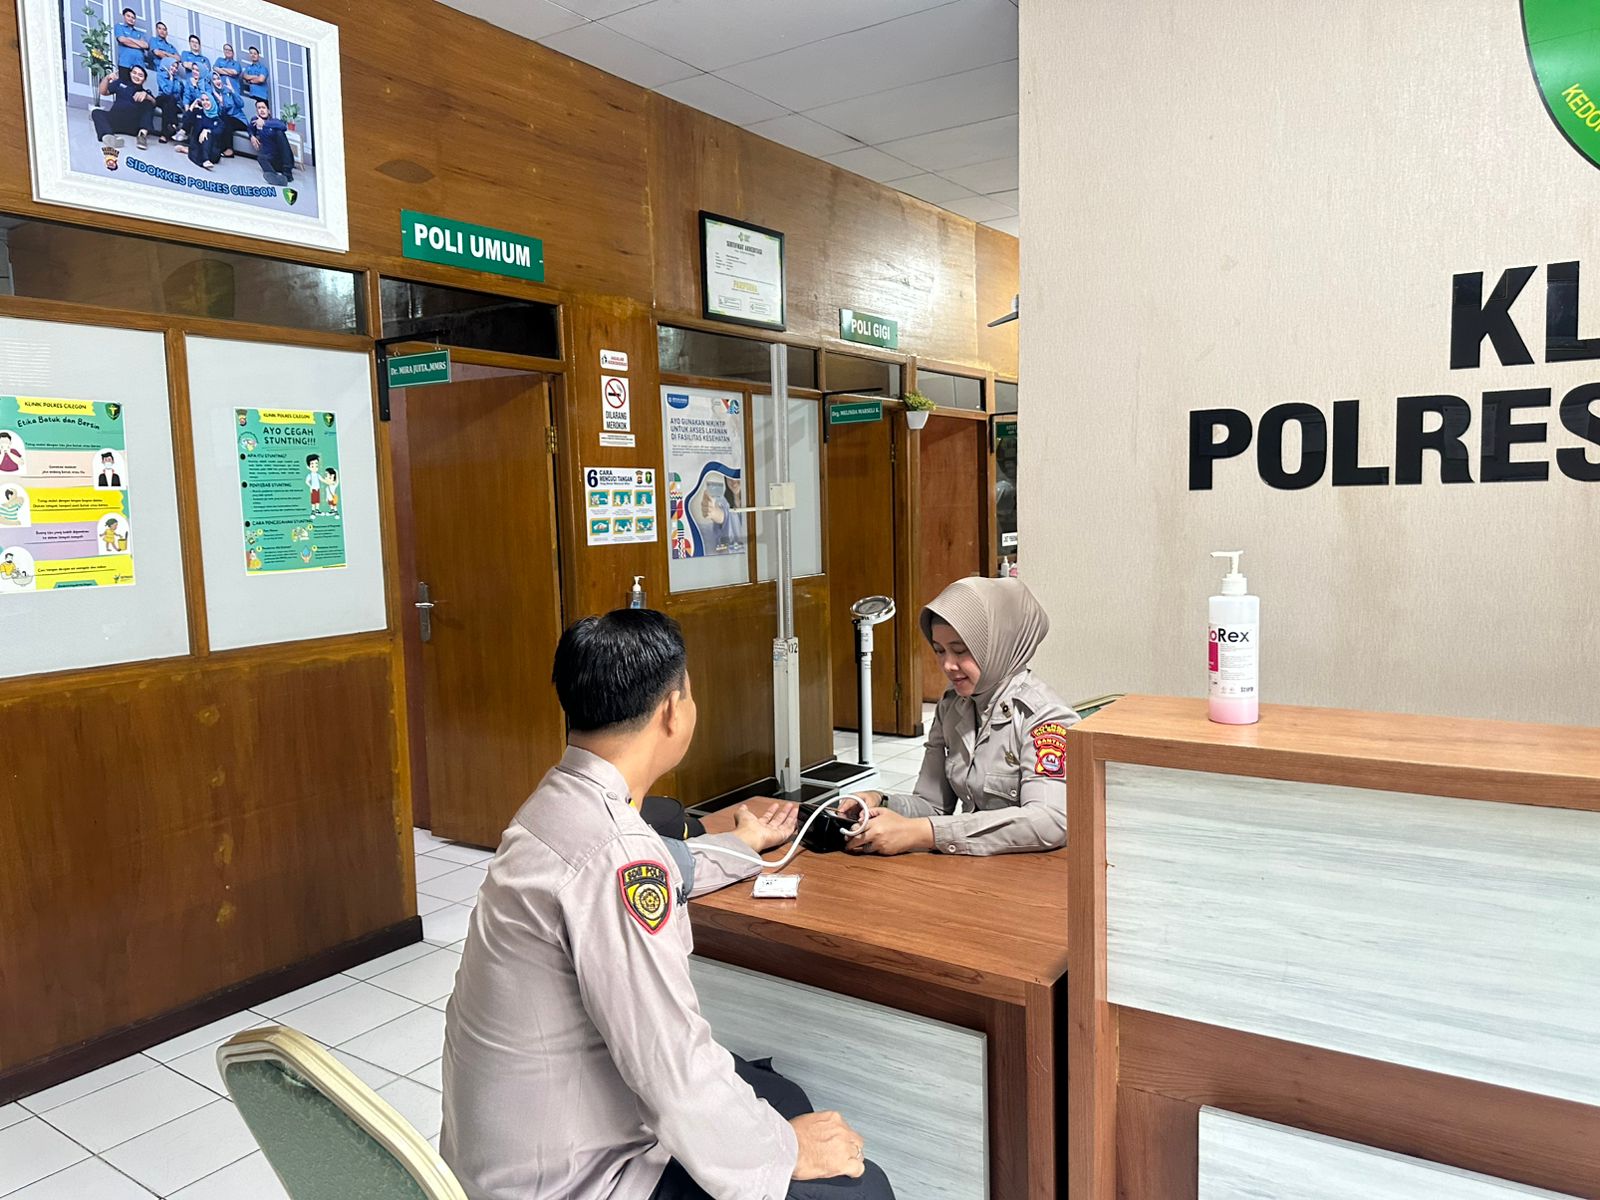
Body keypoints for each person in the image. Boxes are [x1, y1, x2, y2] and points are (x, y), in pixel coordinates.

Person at [442, 609, 894, 1200]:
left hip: (508, 1153)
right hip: (571, 1181)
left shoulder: (556, 807)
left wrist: (746, 846)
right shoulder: (616, 854)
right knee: (858, 1187)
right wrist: (786, 1150)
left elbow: (664, 867)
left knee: (778, 1092)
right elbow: (669, 1064)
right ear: (674, 710)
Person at [843, 576, 1080, 856]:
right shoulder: (952, 706)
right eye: (939, 650)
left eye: (960, 650)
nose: (947, 665)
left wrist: (928, 833)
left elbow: (1050, 821)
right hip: (971, 866)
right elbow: (932, 806)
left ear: (998, 646)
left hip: (1029, 872)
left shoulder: (1043, 717)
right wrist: (879, 803)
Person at [91, 65, 156, 164]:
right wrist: (107, 78)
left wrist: (147, 96)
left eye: (140, 75)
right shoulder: (120, 83)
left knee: (149, 104)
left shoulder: (145, 92)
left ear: (144, 80)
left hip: (133, 126)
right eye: (134, 73)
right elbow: (103, 92)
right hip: (115, 120)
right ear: (130, 73)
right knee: (96, 112)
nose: (136, 76)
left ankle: (142, 136)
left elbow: (154, 103)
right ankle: (107, 136)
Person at [248, 98, 293, 184]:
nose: (261, 110)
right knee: (260, 157)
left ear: (268, 111)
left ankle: (287, 174)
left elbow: (283, 126)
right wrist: (252, 136)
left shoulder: (274, 121)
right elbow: (249, 128)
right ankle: (275, 177)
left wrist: (264, 123)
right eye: (259, 108)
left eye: (263, 108)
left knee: (280, 133)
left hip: (283, 159)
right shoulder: (255, 121)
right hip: (271, 159)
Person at [206, 72, 248, 156]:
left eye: (218, 78)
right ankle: (215, 149)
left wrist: (233, 91)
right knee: (221, 122)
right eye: (214, 79)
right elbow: (217, 114)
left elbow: (241, 104)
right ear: (211, 82)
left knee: (226, 121)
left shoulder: (228, 90)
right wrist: (220, 103)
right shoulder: (212, 95)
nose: (217, 81)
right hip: (225, 121)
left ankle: (228, 149)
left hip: (239, 120)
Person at [183, 91, 225, 170]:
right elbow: (186, 121)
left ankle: (187, 150)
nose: (205, 102)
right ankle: (205, 160)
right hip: (197, 146)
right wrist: (192, 106)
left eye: (207, 100)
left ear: (212, 101)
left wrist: (208, 131)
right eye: (202, 100)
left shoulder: (218, 118)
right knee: (196, 150)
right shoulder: (198, 113)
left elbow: (219, 131)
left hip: (212, 150)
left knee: (208, 134)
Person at [153, 60, 187, 143]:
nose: (174, 69)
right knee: (170, 98)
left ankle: (164, 135)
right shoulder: (160, 75)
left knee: (167, 106)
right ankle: (174, 123)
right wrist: (171, 79)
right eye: (172, 66)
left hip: (173, 104)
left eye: (176, 68)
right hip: (161, 98)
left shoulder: (178, 80)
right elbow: (167, 92)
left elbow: (182, 94)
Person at [113, 8, 147, 85]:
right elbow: (122, 40)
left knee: (137, 89)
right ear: (124, 16)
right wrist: (139, 45)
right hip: (125, 63)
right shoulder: (119, 27)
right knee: (124, 87)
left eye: (133, 18)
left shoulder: (139, 33)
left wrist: (130, 39)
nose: (131, 19)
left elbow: (145, 45)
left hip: (139, 65)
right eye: (128, 16)